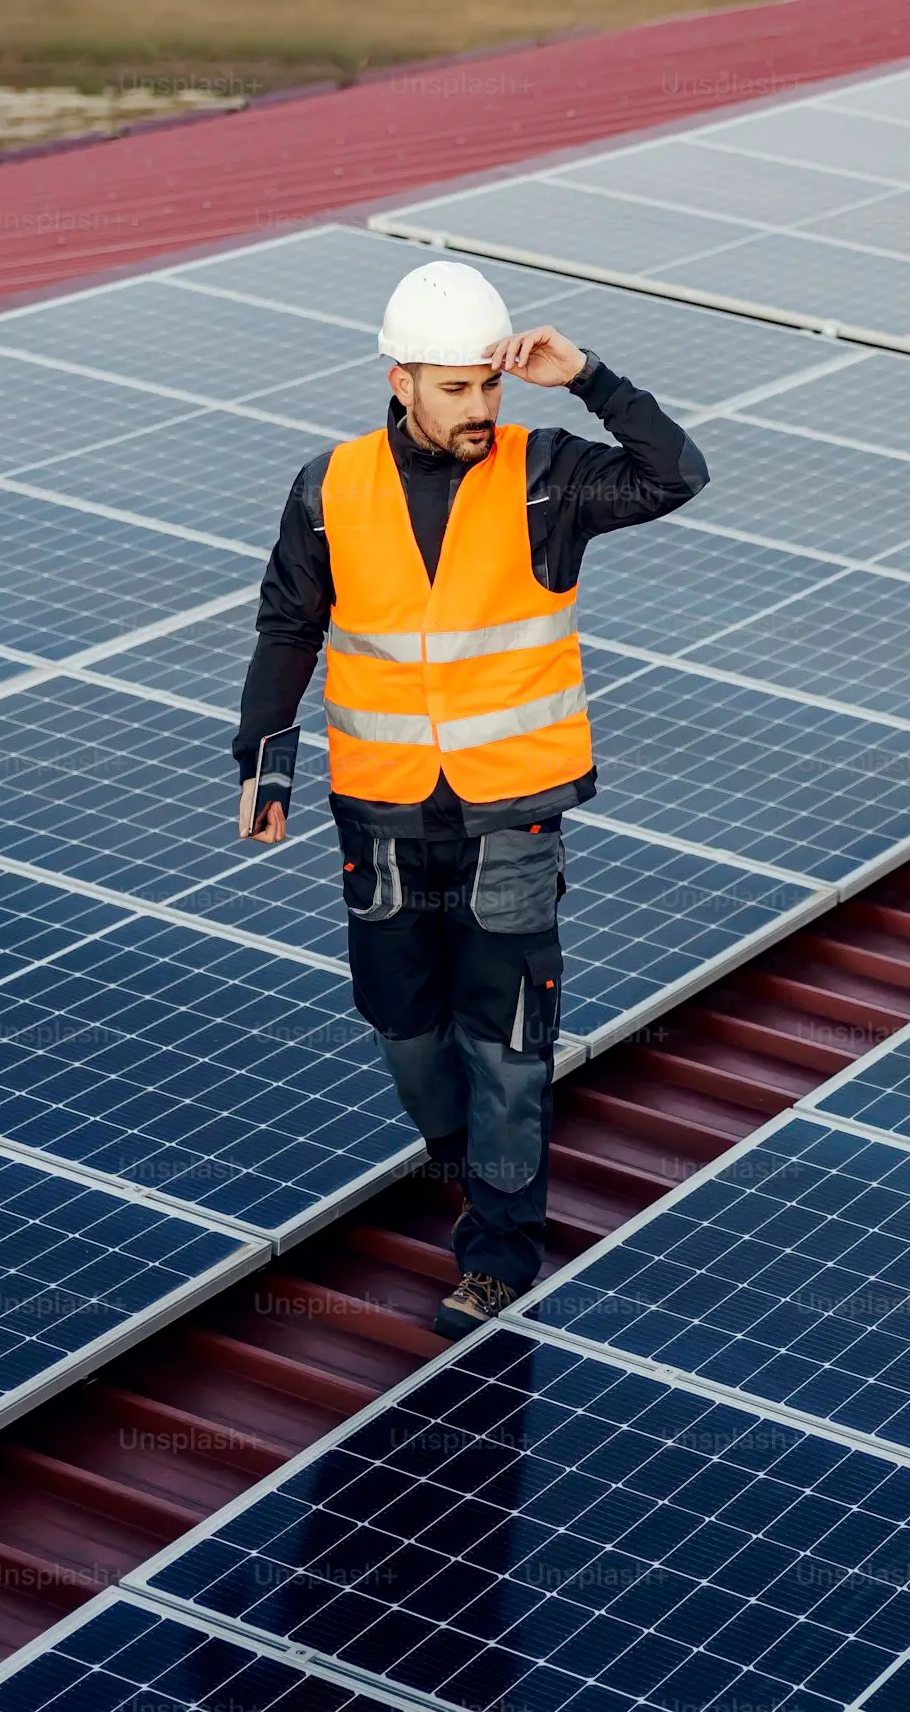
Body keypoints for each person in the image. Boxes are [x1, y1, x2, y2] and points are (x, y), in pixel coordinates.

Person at [232, 259, 707, 1338]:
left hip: (511, 814)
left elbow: (677, 473)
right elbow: (288, 624)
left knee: (506, 1045)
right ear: (399, 380)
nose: (480, 406)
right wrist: (265, 760)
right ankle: (465, 1162)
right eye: (456, 388)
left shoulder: (547, 475)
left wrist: (586, 377)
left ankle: (498, 1248)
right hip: (382, 810)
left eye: (489, 384)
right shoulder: (329, 487)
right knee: (402, 1028)